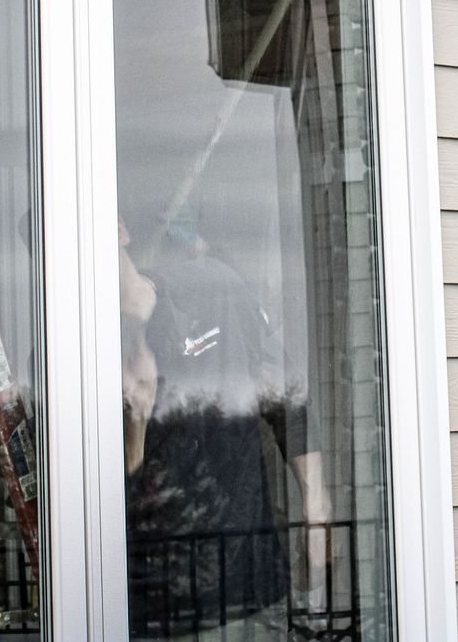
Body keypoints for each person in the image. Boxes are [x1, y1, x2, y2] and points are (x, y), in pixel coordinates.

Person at [121, 218, 330, 640]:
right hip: (155, 604)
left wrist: (315, 501)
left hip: (248, 583)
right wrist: (135, 426)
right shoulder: (68, 353)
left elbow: (284, 394)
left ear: (120, 231)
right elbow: (113, 504)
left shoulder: (213, 290)